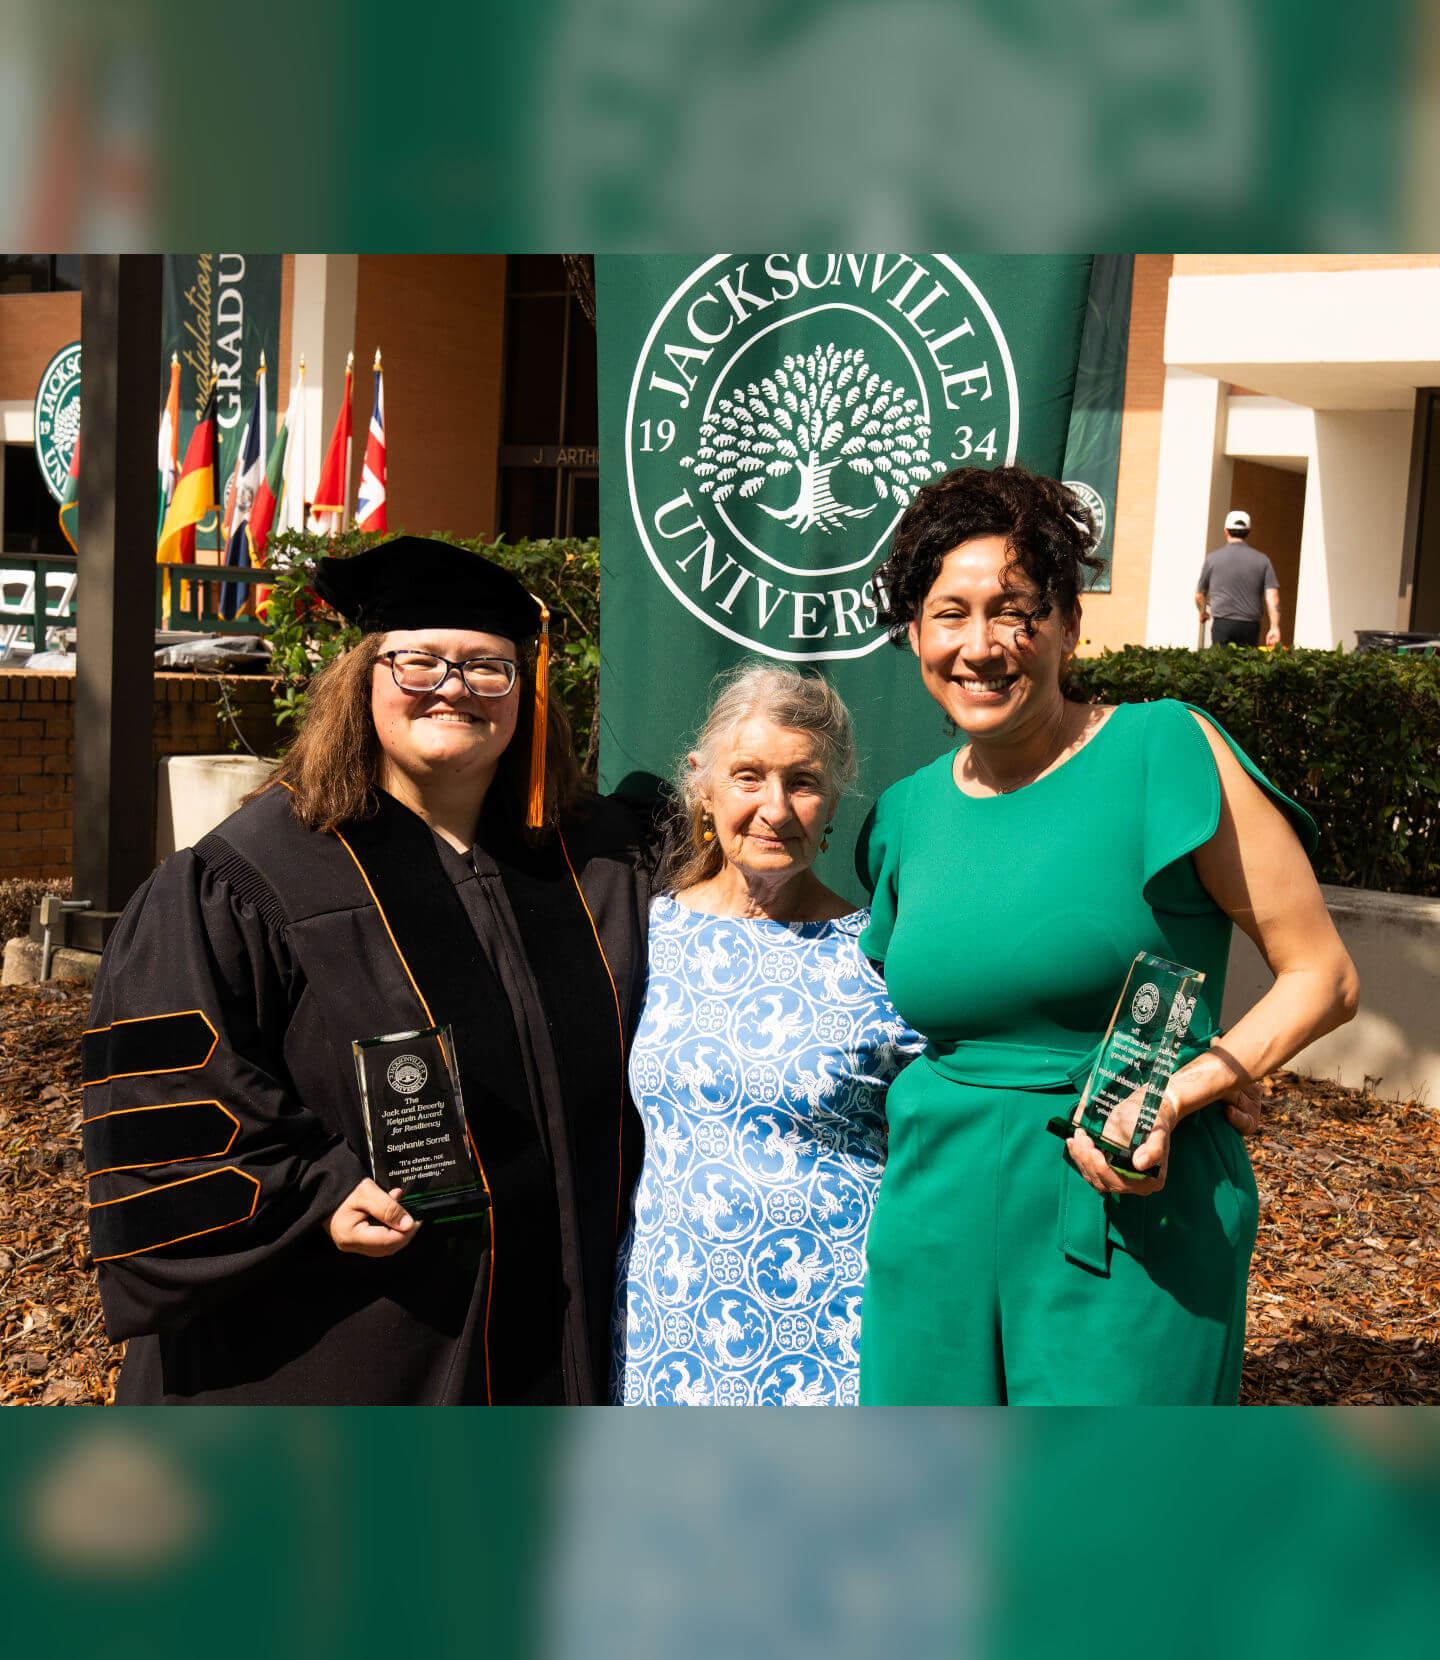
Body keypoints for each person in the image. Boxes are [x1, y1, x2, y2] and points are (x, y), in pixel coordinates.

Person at [81, 536, 658, 1404]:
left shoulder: (599, 863)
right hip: (352, 1336)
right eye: (419, 662)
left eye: (488, 667)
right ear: (363, 680)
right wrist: (315, 1193)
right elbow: (167, 1096)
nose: (454, 687)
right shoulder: (251, 874)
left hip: (562, 1326)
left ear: (526, 695)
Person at [856, 466, 1358, 1405]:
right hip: (931, 1217)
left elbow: (1322, 976)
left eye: (1014, 611)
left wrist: (1196, 1083)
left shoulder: (1165, 752)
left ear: (1068, 626)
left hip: (1131, 1205)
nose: (981, 645)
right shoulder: (903, 816)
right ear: (914, 634)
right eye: (949, 614)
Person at [613, 664, 922, 1405]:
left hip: (835, 1329)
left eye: (803, 782)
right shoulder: (643, 934)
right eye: (748, 776)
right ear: (703, 784)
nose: (774, 809)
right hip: (666, 1322)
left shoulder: (882, 956)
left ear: (835, 800)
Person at [1196, 509, 1282, 647]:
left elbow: (1199, 594)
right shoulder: (1262, 560)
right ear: (1248, 531)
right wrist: (1274, 627)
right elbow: (1273, 597)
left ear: (1225, 531)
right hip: (1250, 626)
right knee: (1247, 660)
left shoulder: (1212, 559)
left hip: (1222, 625)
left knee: (1221, 660)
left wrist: (1202, 612)